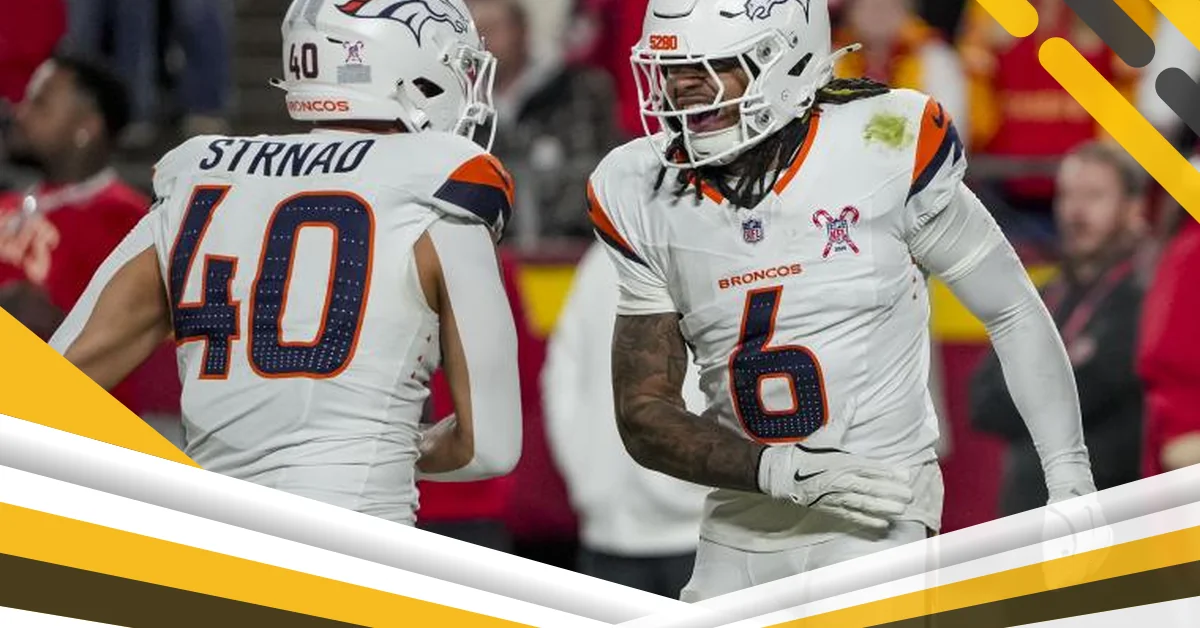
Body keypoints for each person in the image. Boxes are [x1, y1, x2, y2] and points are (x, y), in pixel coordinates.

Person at [591, 0, 1097, 600]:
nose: (684, 89)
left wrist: (1069, 477)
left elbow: (1011, 309)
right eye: (672, 70)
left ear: (786, 59)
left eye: (713, 65)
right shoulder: (642, 189)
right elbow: (643, 411)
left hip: (877, 511)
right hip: (742, 517)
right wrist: (777, 470)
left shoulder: (881, 142)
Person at [47, 0, 522, 527]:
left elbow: (50, 383)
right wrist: (388, 447)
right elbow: (490, 448)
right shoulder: (439, 186)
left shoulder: (201, 176)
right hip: (355, 541)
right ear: (403, 67)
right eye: (458, 64)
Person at [972, 141, 1147, 516]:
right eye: (1067, 195)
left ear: (1134, 208)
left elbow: (1099, 384)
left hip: (1113, 514)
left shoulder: (1148, 292)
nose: (1076, 212)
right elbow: (983, 400)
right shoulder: (1044, 294)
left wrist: (1026, 388)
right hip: (1027, 514)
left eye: (1094, 196)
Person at [0, 53, 178, 421]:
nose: (20, 113)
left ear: (85, 127)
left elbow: (126, 335)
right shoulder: (10, 204)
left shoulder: (130, 220)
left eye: (40, 103)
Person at [544, 242, 707, 598]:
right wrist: (586, 475)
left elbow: (561, 377)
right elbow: (562, 377)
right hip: (619, 526)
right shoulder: (601, 260)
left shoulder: (601, 257)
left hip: (690, 527)